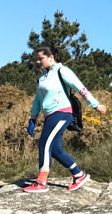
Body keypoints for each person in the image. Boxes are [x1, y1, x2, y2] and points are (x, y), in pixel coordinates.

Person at [23, 46, 107, 193]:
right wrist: (33, 118)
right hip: (49, 115)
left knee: (44, 143)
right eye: (37, 59)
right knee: (55, 149)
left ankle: (41, 182)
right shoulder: (42, 77)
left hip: (62, 113)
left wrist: (95, 105)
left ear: (51, 57)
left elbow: (80, 88)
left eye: (40, 58)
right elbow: (37, 99)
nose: (38, 61)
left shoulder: (63, 71)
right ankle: (79, 175)